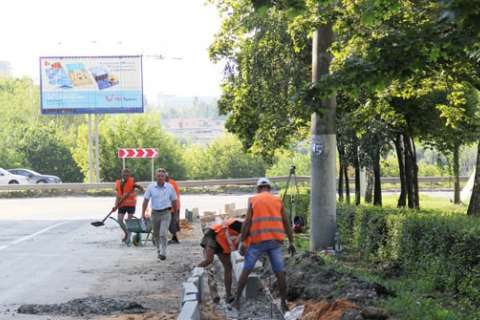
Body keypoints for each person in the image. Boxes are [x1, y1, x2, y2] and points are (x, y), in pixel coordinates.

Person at [233, 178, 295, 312]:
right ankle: (284, 303)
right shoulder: (277, 200)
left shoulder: (253, 200)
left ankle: (237, 301)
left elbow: (247, 223)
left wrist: (242, 241)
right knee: (280, 273)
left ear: (258, 189)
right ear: (270, 188)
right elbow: (286, 224)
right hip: (275, 242)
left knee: (247, 270)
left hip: (257, 242)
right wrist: (291, 242)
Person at [198, 218, 245, 304]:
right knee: (209, 260)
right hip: (213, 235)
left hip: (222, 243)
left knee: (228, 266)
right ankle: (195, 272)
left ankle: (228, 296)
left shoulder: (250, 230)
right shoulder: (239, 224)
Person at [142, 168, 177, 261]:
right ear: (155, 177)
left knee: (163, 233)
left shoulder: (170, 187)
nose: (160, 178)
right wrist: (143, 213)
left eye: (162, 176)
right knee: (156, 234)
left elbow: (174, 201)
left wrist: (175, 214)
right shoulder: (151, 187)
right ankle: (158, 249)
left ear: (165, 177)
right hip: (155, 213)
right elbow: (145, 200)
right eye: (158, 176)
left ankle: (163, 252)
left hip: (166, 213)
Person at [114, 168, 144, 243]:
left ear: (129, 175)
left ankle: (128, 238)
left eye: (127, 175)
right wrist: (115, 205)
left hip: (131, 204)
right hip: (121, 204)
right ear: (121, 174)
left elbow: (141, 190)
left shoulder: (133, 181)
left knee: (129, 222)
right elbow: (117, 195)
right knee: (120, 220)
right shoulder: (118, 182)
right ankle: (127, 233)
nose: (126, 176)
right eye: (124, 174)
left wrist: (135, 190)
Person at [166, 173, 181, 244]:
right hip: (174, 205)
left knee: (172, 223)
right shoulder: (172, 182)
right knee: (173, 222)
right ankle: (174, 238)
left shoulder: (169, 184)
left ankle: (175, 238)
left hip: (172, 206)